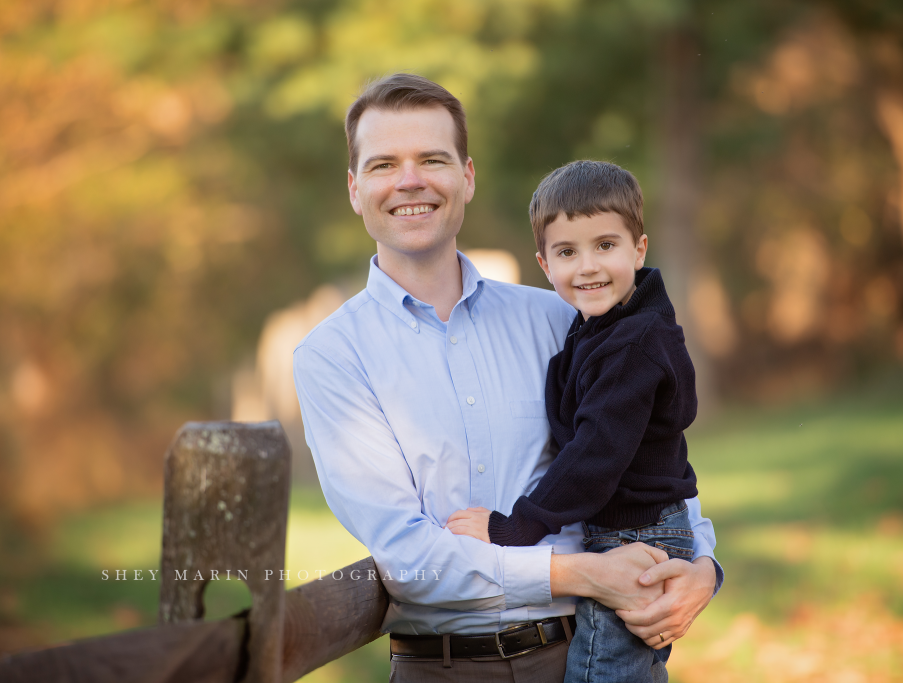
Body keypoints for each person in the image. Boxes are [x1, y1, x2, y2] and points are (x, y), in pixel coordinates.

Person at [293, 73, 722, 683]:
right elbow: (407, 553)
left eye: (432, 159)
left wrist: (703, 565)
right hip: (442, 669)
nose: (410, 180)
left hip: (589, 650)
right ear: (355, 188)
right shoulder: (332, 356)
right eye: (385, 163)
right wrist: (577, 573)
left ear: (467, 176)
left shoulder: (558, 316)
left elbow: (647, 451)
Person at [447, 160, 700, 682]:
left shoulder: (633, 344)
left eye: (605, 246)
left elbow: (594, 453)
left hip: (638, 538)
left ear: (639, 249)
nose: (587, 267)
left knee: (599, 673)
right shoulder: (596, 330)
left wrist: (514, 526)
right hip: (626, 532)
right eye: (567, 252)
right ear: (544, 263)